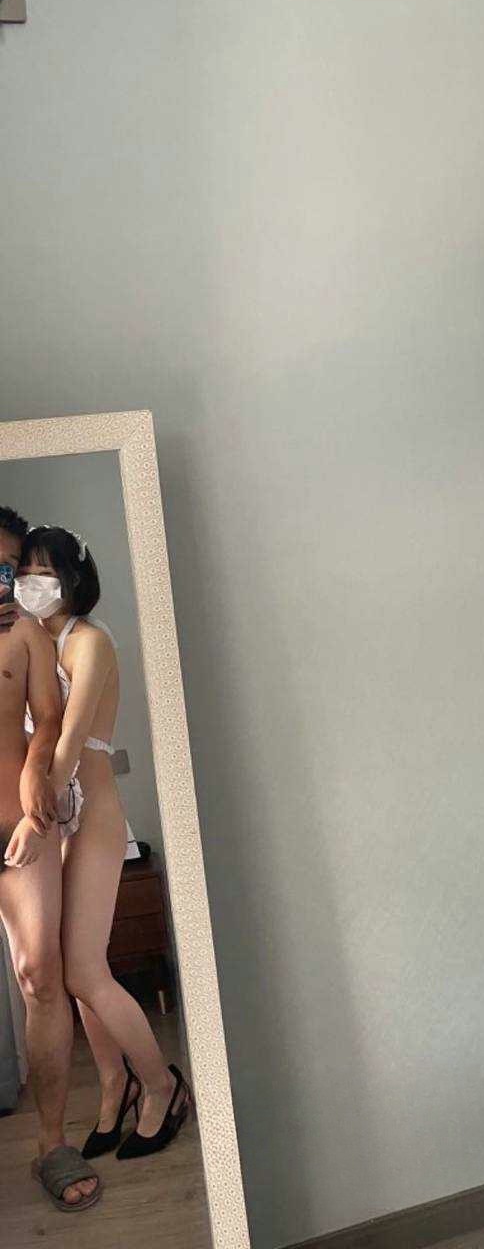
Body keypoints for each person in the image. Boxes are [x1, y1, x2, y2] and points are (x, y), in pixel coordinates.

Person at [0, 505, 102, 1210]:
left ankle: (51, 1142)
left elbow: (50, 719)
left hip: (19, 826)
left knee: (42, 975)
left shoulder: (30, 636)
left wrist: (39, 765)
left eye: (7, 566)